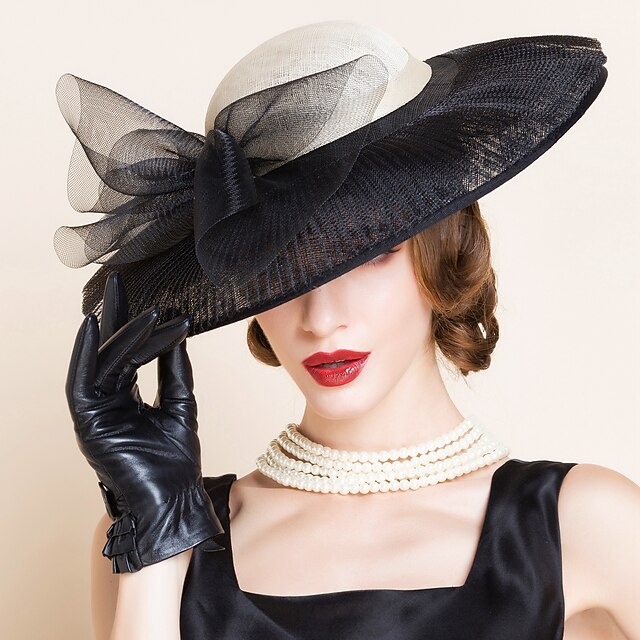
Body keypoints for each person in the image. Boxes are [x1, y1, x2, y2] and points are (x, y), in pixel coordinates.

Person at [56, 19, 639, 640]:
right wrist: (159, 540)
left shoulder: (588, 524)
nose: (320, 317)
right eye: (280, 267)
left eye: (366, 253)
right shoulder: (151, 537)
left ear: (440, 250)